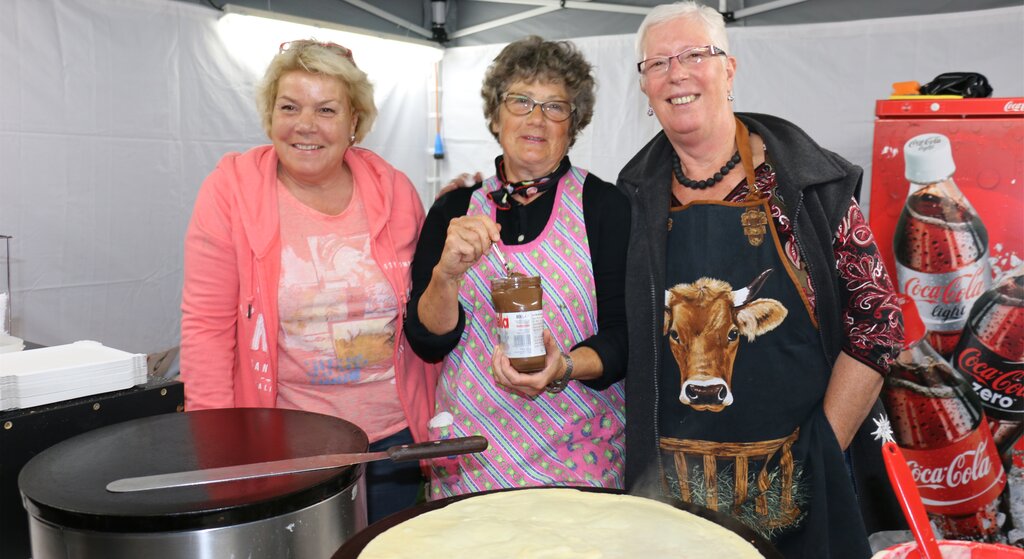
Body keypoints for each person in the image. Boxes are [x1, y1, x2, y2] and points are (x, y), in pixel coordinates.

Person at [616, 3, 903, 558]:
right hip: (676, 487)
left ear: (729, 69)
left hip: (800, 479)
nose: (677, 73)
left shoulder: (807, 185)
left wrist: (820, 451)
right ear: (645, 89)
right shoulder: (628, 200)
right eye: (657, 63)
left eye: (694, 55)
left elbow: (878, 325)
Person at [180, 40, 439, 524]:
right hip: (287, 447)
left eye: (326, 109)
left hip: (391, 442)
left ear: (354, 123)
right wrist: (215, 447)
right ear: (269, 115)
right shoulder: (232, 192)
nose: (306, 125)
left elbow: (428, 312)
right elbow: (206, 330)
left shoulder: (396, 190)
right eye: (290, 107)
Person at [405, 36, 629, 499]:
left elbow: (627, 337)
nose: (536, 118)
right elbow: (428, 341)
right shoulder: (453, 209)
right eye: (521, 101)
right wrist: (446, 275)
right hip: (472, 458)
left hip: (578, 458)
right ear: (495, 115)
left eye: (555, 107)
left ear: (574, 124)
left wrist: (563, 366)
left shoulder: (604, 206)